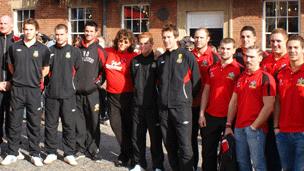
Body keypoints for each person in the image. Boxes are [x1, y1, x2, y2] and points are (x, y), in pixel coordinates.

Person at [1, 18, 50, 167]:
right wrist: (20, 78)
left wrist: (33, 79)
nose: (28, 32)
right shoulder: (14, 47)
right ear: (23, 30)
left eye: (30, 29)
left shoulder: (43, 49)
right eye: (25, 29)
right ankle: (12, 152)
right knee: (14, 122)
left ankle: (35, 153)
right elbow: (10, 67)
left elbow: (45, 70)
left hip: (34, 91)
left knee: (34, 123)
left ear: (36, 30)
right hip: (17, 89)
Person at [156, 24, 201, 171]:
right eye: (164, 37)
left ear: (176, 37)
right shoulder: (161, 59)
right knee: (169, 144)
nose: (166, 40)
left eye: (169, 37)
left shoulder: (187, 56)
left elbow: (197, 82)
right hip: (164, 109)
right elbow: (158, 83)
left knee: (185, 145)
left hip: (181, 108)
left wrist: (185, 99)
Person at [225, 46, 276, 171]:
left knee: (258, 164)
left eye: (252, 57)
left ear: (260, 58)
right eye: (246, 56)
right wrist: (228, 124)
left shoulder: (266, 77)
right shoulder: (241, 77)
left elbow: (269, 106)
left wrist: (254, 126)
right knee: (242, 162)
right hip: (239, 128)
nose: (248, 59)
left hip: (256, 129)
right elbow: (233, 102)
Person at [199, 38, 243, 171]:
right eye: (222, 48)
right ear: (218, 49)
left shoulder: (240, 70)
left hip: (229, 118)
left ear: (234, 50)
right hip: (210, 116)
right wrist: (201, 113)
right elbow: (206, 91)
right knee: (207, 154)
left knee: (228, 155)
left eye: (228, 48)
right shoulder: (212, 68)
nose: (225, 51)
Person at [43, 24, 81, 166]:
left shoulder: (75, 51)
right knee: (50, 125)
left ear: (67, 34)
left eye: (61, 34)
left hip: (68, 95)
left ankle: (69, 153)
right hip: (52, 95)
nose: (59, 37)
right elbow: (45, 72)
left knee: (69, 125)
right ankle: (51, 152)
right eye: (57, 34)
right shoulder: (49, 51)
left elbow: (79, 72)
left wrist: (73, 87)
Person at [129, 32, 164, 171]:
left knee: (155, 138)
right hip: (137, 106)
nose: (143, 46)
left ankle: (158, 165)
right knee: (137, 136)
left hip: (153, 106)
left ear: (152, 44)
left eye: (146, 43)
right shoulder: (135, 61)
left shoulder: (158, 61)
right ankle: (139, 163)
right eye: (141, 43)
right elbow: (133, 80)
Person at [104, 29, 137, 167]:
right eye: (120, 40)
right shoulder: (108, 52)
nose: (122, 43)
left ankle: (125, 155)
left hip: (128, 96)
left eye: (125, 41)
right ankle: (129, 154)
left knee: (128, 127)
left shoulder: (134, 56)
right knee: (115, 125)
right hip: (112, 96)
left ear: (130, 43)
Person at [74, 21, 106, 162]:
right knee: (79, 122)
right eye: (86, 31)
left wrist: (98, 83)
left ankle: (93, 149)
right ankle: (80, 148)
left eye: (91, 31)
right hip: (77, 93)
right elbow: (72, 68)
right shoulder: (77, 49)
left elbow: (105, 70)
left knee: (93, 122)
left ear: (96, 33)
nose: (88, 33)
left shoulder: (99, 50)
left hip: (93, 93)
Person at [274, 35, 304, 171]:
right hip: (283, 132)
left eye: (296, 47)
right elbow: (278, 101)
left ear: (303, 49)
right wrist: (276, 127)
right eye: (290, 47)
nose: (292, 50)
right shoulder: (281, 73)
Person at [261, 28, 289, 171]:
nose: (275, 44)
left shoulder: (291, 60)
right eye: (272, 41)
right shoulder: (265, 61)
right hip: (266, 114)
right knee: (268, 152)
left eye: (278, 41)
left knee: (284, 154)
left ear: (286, 42)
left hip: (284, 113)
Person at [191, 27, 219, 170]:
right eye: (196, 37)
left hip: (207, 107)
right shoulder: (188, 55)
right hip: (191, 104)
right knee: (190, 139)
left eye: (201, 37)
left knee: (208, 143)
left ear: (208, 39)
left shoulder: (215, 57)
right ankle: (193, 165)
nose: (198, 40)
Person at [0, 15, 19, 146]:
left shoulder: (18, 42)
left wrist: (12, 82)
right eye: (0, 23)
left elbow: (22, 66)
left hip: (14, 86)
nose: (2, 25)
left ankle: (13, 145)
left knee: (13, 118)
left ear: (12, 25)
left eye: (5, 23)